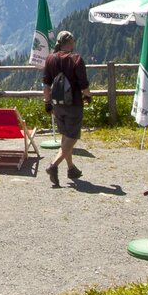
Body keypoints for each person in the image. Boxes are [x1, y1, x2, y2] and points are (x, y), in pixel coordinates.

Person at [40, 30, 90, 187]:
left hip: (57, 104)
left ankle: (71, 168)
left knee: (65, 135)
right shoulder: (76, 59)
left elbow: (46, 84)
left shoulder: (50, 59)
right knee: (72, 137)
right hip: (73, 103)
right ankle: (53, 165)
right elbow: (84, 84)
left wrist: (47, 103)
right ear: (69, 43)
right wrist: (88, 96)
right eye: (73, 41)